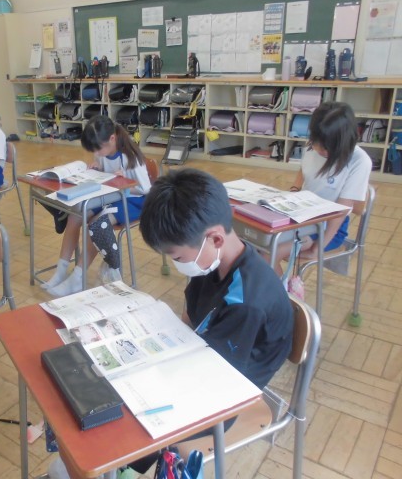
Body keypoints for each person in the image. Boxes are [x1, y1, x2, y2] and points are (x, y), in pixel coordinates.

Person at [126, 168, 294, 475]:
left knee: (134, 423)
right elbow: (190, 317)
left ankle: (126, 466)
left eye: (178, 257)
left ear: (215, 238)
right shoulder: (212, 261)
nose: (178, 264)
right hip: (206, 357)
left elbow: (217, 380)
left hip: (228, 389)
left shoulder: (246, 302)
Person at [44, 115, 151, 297]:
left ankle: (77, 278)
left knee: (96, 224)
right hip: (110, 195)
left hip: (134, 200)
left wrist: (123, 181)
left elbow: (145, 188)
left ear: (112, 139)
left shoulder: (131, 157)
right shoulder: (101, 150)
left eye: (98, 149)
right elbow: (104, 172)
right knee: (75, 216)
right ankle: (60, 271)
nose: (97, 153)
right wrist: (97, 169)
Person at [270, 101, 372, 275]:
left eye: (325, 146)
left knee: (271, 252)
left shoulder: (359, 160)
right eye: (316, 141)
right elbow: (304, 169)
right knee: (258, 244)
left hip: (328, 227)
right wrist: (294, 190)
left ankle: (282, 292)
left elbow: (342, 210)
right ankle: (279, 289)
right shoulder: (313, 147)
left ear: (342, 142)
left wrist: (320, 246)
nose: (317, 148)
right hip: (302, 215)